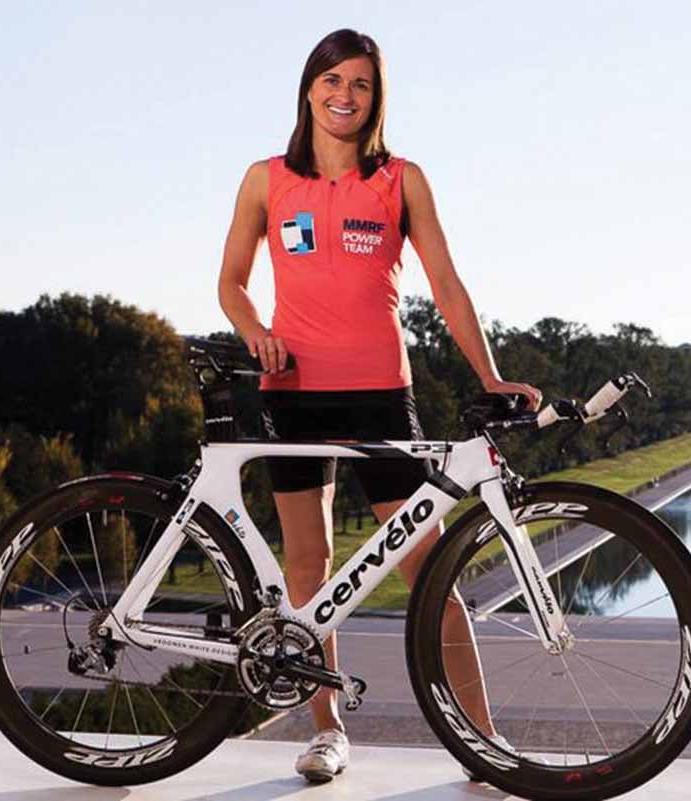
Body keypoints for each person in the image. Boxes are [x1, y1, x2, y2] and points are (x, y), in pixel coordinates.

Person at [217, 28, 541, 784]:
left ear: (376, 98)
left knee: (431, 575)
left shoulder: (402, 180)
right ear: (309, 89)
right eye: (333, 80)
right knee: (309, 567)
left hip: (379, 394)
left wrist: (490, 375)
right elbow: (230, 281)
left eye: (360, 83)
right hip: (293, 393)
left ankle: (483, 739)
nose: (345, 95)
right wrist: (256, 332)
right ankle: (327, 731)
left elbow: (447, 286)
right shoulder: (267, 180)